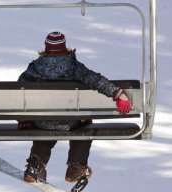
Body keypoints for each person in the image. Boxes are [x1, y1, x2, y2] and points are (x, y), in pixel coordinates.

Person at [17, 31, 131, 183]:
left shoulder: (34, 68)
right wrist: (117, 93)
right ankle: (76, 167)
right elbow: (94, 79)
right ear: (64, 47)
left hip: (42, 121)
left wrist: (22, 117)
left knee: (45, 124)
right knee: (85, 122)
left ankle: (35, 165)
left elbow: (18, 91)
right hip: (70, 121)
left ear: (46, 48)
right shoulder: (73, 66)